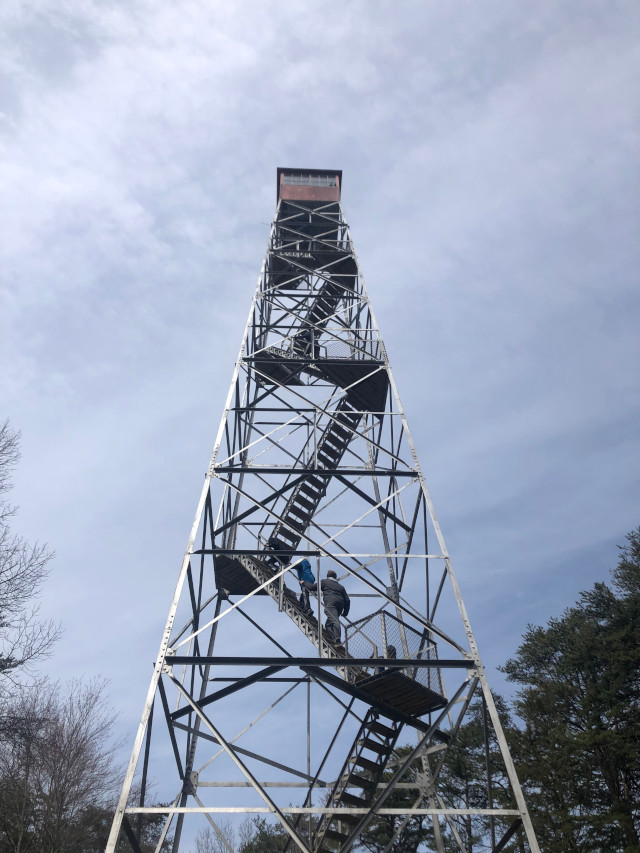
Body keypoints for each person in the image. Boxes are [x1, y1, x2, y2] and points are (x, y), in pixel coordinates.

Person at [303, 569, 350, 643]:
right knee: (328, 624)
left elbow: (312, 587)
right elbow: (347, 600)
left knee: (334, 621)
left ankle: (337, 639)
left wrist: (304, 583)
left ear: (327, 576)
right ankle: (333, 638)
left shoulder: (325, 582)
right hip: (340, 605)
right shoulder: (341, 587)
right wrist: (345, 612)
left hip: (331, 603)